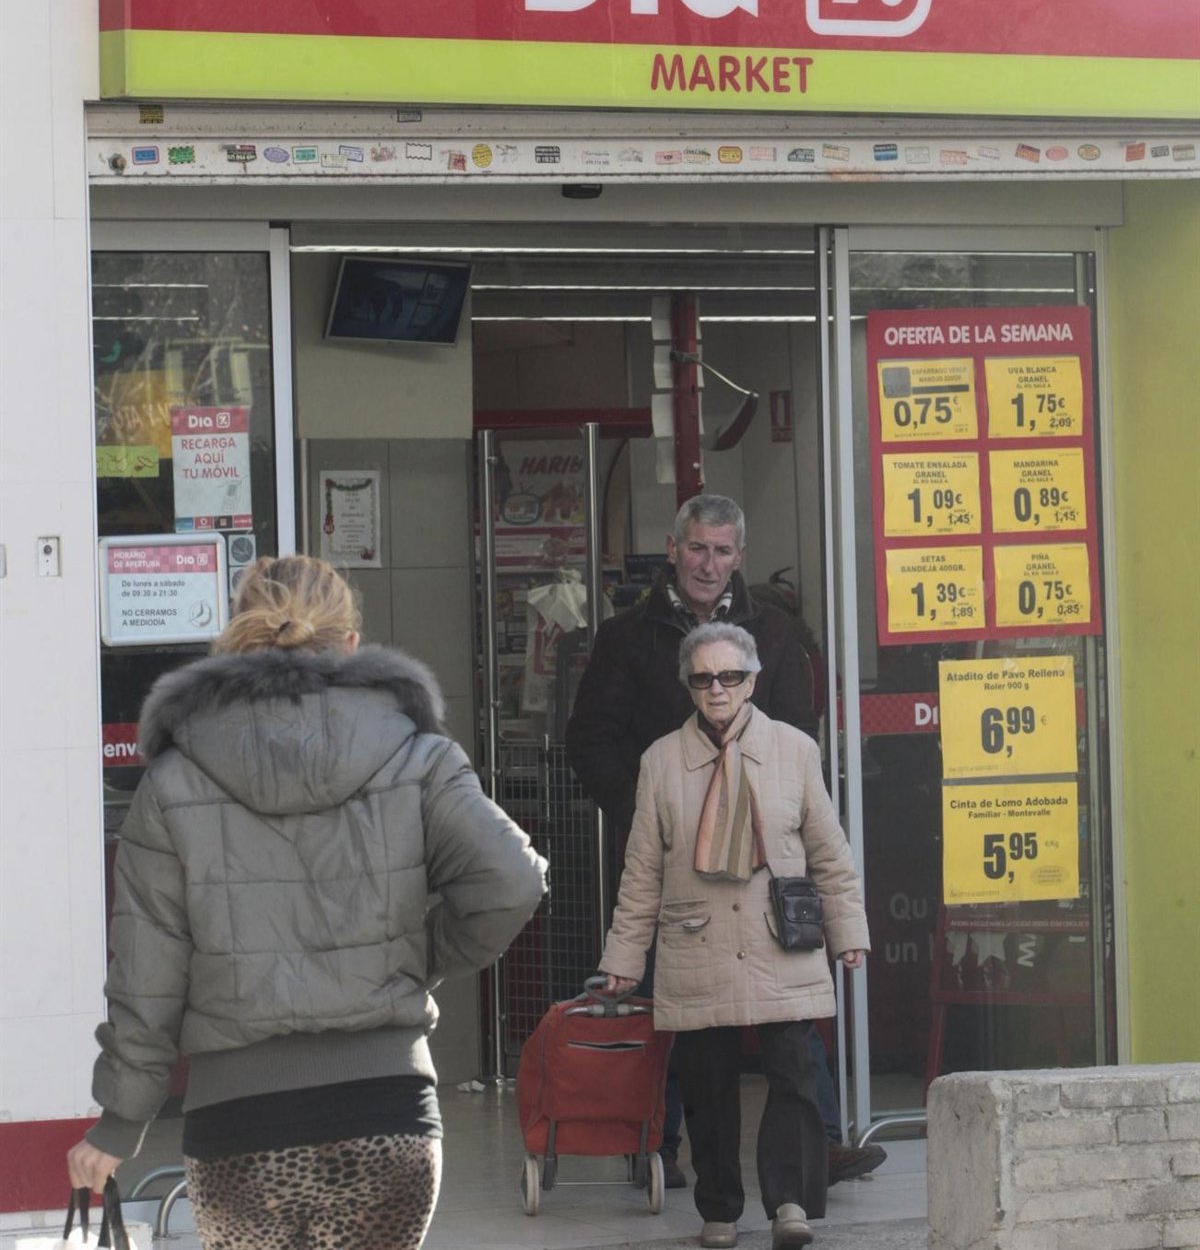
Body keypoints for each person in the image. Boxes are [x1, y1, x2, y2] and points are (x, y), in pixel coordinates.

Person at [67, 555, 548, 1250]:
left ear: (236, 641)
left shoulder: (173, 780)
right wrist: (417, 956)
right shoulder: (418, 756)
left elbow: (148, 972)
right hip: (389, 1111)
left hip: (238, 1123)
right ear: (351, 644)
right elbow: (512, 880)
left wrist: (121, 1121)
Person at [565, 494, 883, 1186]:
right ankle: (657, 1146)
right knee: (673, 1008)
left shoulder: (775, 633)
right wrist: (652, 811)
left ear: (739, 555)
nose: (708, 564)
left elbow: (798, 735)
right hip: (673, 859)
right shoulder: (627, 637)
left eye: (722, 550)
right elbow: (589, 740)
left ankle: (819, 1146)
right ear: (673, 549)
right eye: (696, 548)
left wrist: (771, 814)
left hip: (770, 863)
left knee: (790, 1009)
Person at [599, 623, 870, 1250]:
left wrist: (847, 930)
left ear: (751, 682)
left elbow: (829, 854)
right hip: (697, 943)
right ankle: (718, 1209)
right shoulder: (660, 760)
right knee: (707, 1085)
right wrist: (624, 956)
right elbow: (642, 871)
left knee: (794, 1076)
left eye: (729, 676)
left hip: (781, 940)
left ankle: (791, 1204)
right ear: (688, 685)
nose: (716, 688)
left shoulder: (794, 750)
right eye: (702, 678)